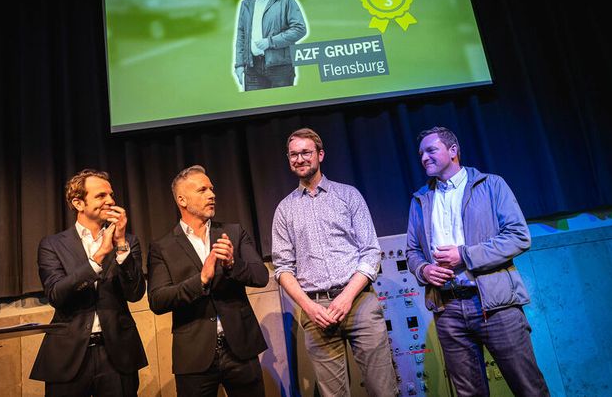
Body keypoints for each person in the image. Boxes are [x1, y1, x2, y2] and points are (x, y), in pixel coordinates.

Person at [405, 127, 549, 396]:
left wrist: (465, 255)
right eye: (421, 153)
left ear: (453, 151)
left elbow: (519, 236)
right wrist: (424, 270)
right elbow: (412, 252)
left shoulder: (492, 185)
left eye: (431, 150)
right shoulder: (420, 200)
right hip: (447, 310)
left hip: (495, 306)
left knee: (529, 388)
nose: (424, 157)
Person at [271, 128, 398, 397]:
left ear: (320, 154)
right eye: (293, 154)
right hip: (316, 309)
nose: (300, 159)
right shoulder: (284, 209)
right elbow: (282, 268)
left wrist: (346, 298)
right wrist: (309, 307)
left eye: (306, 152)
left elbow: (371, 252)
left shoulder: (348, 195)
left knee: (383, 389)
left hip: (359, 302)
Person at [147, 165, 268, 396]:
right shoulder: (162, 247)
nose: (212, 195)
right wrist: (201, 280)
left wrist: (233, 264)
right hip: (194, 357)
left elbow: (261, 276)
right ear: (182, 200)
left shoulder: (233, 232)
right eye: (202, 190)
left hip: (240, 350)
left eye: (211, 189)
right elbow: (158, 300)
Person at [30, 169, 147, 396]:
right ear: (78, 203)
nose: (110, 201)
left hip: (117, 353)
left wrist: (120, 244)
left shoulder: (128, 241)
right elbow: (55, 293)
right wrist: (98, 257)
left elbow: (135, 293)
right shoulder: (52, 245)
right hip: (69, 356)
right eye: (101, 196)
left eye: (111, 195)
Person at [234, 0, 307, 91]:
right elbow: (241, 35)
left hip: (280, 67)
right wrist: (239, 65)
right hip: (252, 67)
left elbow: (299, 29)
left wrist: (270, 42)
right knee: (257, 108)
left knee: (284, 106)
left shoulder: (286, 1)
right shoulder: (246, 3)